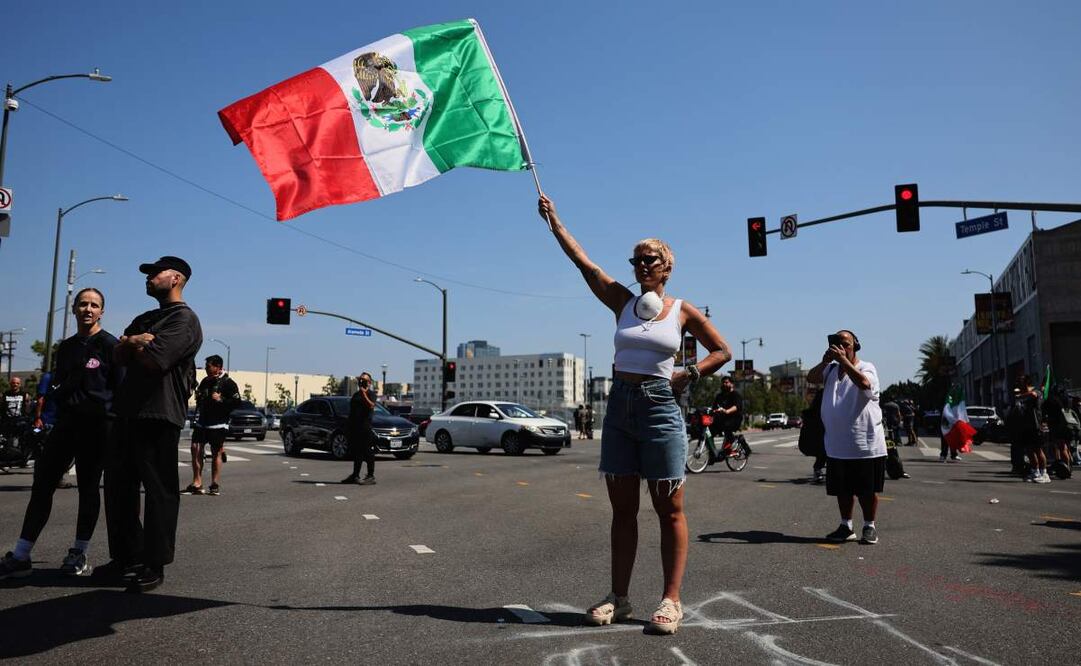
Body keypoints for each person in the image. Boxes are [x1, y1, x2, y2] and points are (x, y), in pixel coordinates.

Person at [539, 194, 732, 635]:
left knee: (670, 509)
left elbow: (722, 350)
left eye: (651, 260)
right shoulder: (622, 302)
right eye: (637, 260)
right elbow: (586, 265)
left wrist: (691, 372)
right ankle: (619, 598)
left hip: (661, 408)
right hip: (621, 408)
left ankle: (671, 600)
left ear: (667, 267)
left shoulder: (682, 311)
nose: (643, 265)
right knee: (621, 511)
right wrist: (555, 222)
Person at [0, 288, 122, 580]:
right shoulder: (66, 348)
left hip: (98, 428)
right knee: (42, 485)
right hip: (66, 425)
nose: (88, 309)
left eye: (94, 305)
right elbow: (60, 385)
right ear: (74, 310)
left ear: (102, 311)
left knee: (88, 488)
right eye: (83, 304)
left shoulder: (111, 346)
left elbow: (120, 390)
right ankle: (21, 554)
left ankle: (78, 553)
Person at [105, 256, 202, 593]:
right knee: (118, 489)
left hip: (160, 413)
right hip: (126, 412)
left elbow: (154, 360)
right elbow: (117, 356)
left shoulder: (184, 320)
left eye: (154, 273)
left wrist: (133, 345)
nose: (148, 278)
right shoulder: (144, 318)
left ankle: (154, 562)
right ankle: (125, 557)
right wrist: (133, 342)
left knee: (159, 492)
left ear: (176, 278)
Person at [807, 330, 885, 545]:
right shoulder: (830, 370)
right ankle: (846, 526)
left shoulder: (867, 367)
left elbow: (864, 384)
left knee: (866, 490)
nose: (841, 348)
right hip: (837, 443)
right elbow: (811, 378)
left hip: (864, 443)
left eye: (846, 344)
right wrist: (825, 362)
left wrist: (843, 361)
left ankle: (869, 526)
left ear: (855, 346)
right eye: (837, 344)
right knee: (843, 489)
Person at [186, 354, 240, 496]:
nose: (206, 369)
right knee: (195, 448)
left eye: (208, 367)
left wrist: (221, 399)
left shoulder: (228, 383)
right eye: (206, 367)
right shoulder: (205, 381)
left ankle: (214, 483)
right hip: (202, 421)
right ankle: (197, 482)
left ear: (218, 367)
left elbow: (236, 402)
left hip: (218, 424)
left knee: (216, 452)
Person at [1007, 376, 1047, 483]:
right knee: (1029, 451)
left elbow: (1033, 395)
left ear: (1026, 383)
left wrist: (1021, 396)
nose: (1019, 385)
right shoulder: (1022, 396)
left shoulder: (1036, 392)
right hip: (1025, 427)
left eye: (1020, 382)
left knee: (1038, 450)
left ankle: (1044, 473)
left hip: (1035, 426)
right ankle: (1036, 472)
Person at [343, 372, 378, 485]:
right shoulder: (356, 395)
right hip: (355, 427)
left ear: (369, 382)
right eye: (360, 379)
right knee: (357, 452)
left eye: (364, 380)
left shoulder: (371, 394)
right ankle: (355, 475)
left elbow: (371, 405)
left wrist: (364, 394)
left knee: (368, 451)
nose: (361, 381)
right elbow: (352, 412)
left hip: (365, 427)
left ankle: (370, 476)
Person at [710, 375, 748, 457]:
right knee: (710, 430)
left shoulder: (735, 395)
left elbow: (736, 406)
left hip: (735, 419)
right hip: (722, 419)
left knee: (727, 427)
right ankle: (712, 453)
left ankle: (733, 444)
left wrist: (727, 411)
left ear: (732, 384)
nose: (724, 384)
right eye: (723, 382)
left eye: (726, 382)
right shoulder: (719, 396)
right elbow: (714, 407)